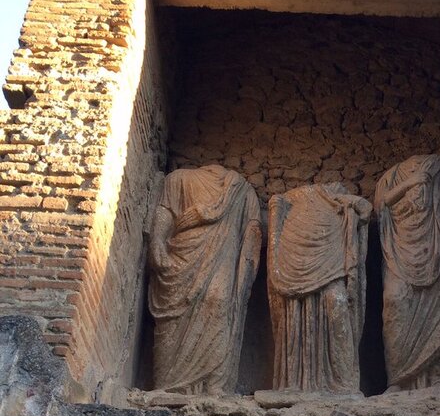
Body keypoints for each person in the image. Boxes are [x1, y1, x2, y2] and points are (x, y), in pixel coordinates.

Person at [148, 165, 262, 394]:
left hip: (222, 259)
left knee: (218, 303)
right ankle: (166, 386)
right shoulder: (178, 178)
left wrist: (246, 269)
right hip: (181, 256)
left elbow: (253, 230)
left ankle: (214, 386)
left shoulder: (242, 190)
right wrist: (157, 240)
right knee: (171, 320)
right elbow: (165, 211)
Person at [374, 155, 440, 390]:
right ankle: (399, 379)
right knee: (395, 300)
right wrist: (410, 183)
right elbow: (380, 208)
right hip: (400, 252)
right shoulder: (389, 178)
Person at [267, 183, 372, 393]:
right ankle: (294, 383)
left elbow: (365, 210)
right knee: (294, 315)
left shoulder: (339, 193)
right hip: (295, 258)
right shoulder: (289, 198)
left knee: (337, 303)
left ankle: (343, 383)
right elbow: (276, 210)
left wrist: (351, 201)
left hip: (332, 259)